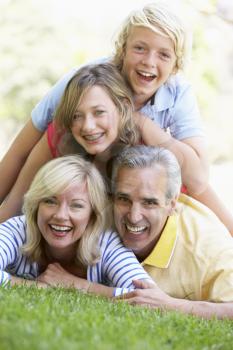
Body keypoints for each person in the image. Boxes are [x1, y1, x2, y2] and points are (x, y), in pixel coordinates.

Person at [1, 2, 233, 233]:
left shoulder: (177, 94)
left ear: (175, 65)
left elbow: (199, 182)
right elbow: (21, 152)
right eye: (140, 48)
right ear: (122, 50)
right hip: (83, 177)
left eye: (163, 54)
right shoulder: (84, 84)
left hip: (130, 182)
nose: (149, 61)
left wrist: (140, 122)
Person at [0, 63, 205, 222]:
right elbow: (16, 202)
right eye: (76, 116)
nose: (88, 126)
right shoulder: (60, 136)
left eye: (99, 112)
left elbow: (201, 193)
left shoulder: (147, 156)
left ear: (123, 107)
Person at [0, 154, 155, 295]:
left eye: (77, 205)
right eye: (50, 201)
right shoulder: (18, 230)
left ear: (92, 215)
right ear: (36, 205)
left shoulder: (106, 243)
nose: (61, 215)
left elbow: (148, 296)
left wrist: (76, 284)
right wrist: (37, 287)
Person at [110, 145, 233, 319]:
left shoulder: (208, 249)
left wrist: (172, 305)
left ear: (172, 204)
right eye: (124, 199)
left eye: (149, 203)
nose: (134, 216)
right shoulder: (102, 218)